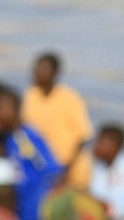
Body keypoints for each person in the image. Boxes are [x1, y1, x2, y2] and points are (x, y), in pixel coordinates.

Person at [22, 52, 94, 189]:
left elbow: (84, 137)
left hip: (72, 173)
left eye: (42, 69)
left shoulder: (70, 98)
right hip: (45, 171)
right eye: (36, 68)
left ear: (55, 73)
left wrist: (66, 169)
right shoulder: (30, 97)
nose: (37, 72)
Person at [0, 87, 63, 220]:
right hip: (21, 208)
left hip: (35, 210)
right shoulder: (8, 139)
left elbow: (50, 171)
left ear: (16, 108)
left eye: (3, 107)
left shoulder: (25, 137)